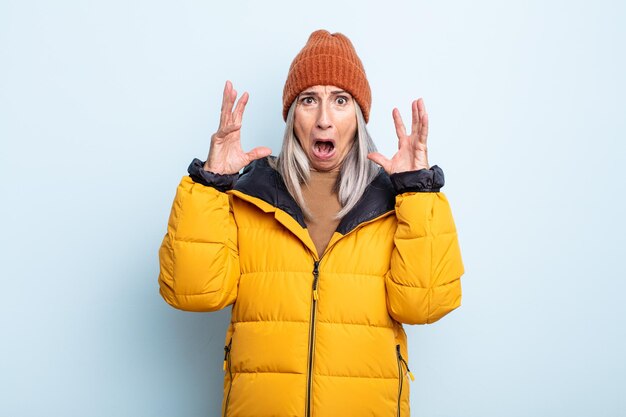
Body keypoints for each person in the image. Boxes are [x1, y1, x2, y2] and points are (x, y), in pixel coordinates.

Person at [158, 29, 464, 417]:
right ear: (291, 116)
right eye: (308, 100)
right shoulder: (248, 194)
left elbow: (424, 305)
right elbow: (194, 293)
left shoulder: (397, 201)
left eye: (340, 100)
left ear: (358, 115)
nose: (323, 119)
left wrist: (418, 192)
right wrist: (211, 182)